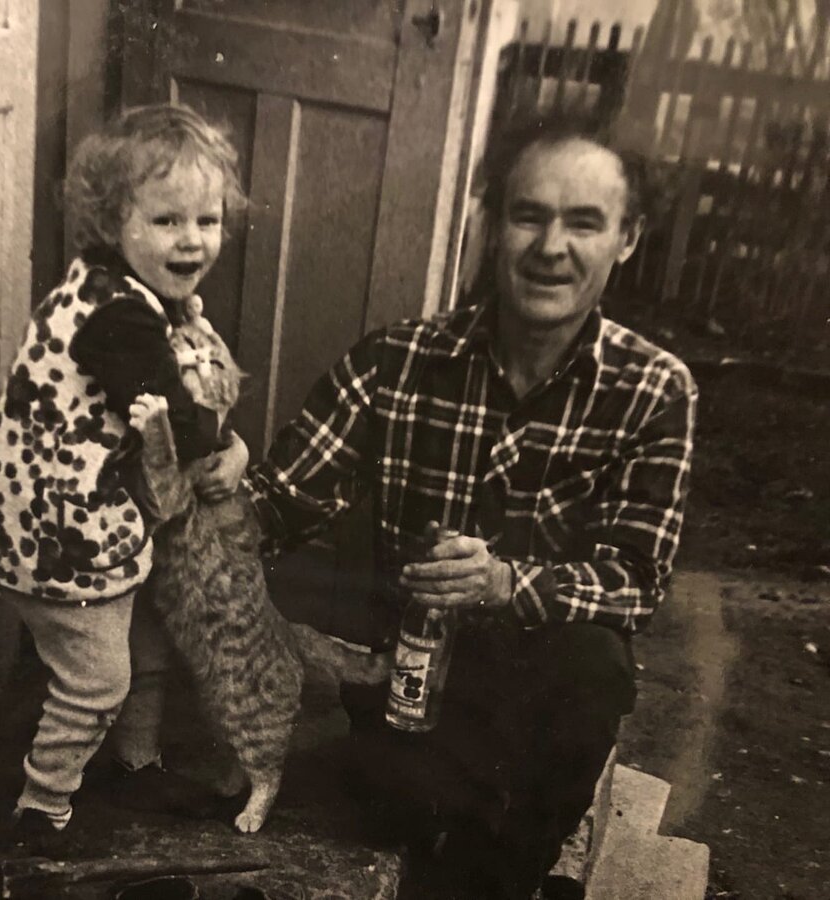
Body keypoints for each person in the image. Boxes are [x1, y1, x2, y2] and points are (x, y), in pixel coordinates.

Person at [242, 115, 698, 898]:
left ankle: (507, 864)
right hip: (409, 692)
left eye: (584, 223)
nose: (550, 247)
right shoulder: (395, 362)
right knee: (402, 820)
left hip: (537, 710)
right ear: (492, 223)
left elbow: (634, 581)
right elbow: (279, 501)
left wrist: (503, 583)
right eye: (529, 215)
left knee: (595, 667)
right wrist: (191, 498)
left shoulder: (654, 389)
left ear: (627, 238)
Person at [0, 103, 248, 843]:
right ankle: (43, 808)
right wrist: (231, 446)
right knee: (96, 679)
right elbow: (181, 425)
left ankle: (135, 765)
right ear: (112, 220)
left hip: (78, 511)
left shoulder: (121, 289)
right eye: (166, 220)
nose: (192, 239)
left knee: (145, 637)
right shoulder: (117, 317)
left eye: (208, 220)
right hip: (59, 532)